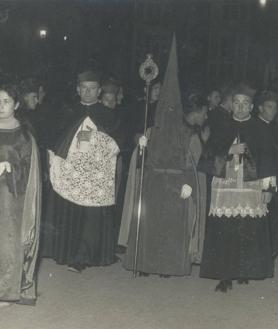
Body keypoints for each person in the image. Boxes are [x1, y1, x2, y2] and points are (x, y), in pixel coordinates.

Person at [119, 38, 207, 277]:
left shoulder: (188, 134)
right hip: (153, 184)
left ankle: (168, 265)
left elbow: (194, 164)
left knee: (171, 227)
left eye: (173, 108)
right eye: (164, 107)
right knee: (149, 225)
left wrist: (189, 184)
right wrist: (142, 147)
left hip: (176, 185)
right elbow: (141, 162)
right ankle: (145, 264)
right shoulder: (151, 131)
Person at [199, 84, 277, 292]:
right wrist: (229, 150)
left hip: (251, 188)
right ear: (231, 105)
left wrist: (269, 189)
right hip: (225, 188)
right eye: (236, 103)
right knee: (225, 229)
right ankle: (225, 276)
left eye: (245, 104)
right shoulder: (221, 127)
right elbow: (207, 158)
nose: (241, 107)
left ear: (252, 107)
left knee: (248, 228)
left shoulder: (261, 129)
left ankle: (245, 270)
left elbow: (269, 159)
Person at [42, 70, 122, 273]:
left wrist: (94, 139)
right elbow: (55, 137)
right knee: (69, 209)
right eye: (84, 88)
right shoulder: (67, 111)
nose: (88, 92)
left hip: (96, 174)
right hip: (71, 173)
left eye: (92, 88)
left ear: (99, 90)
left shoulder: (109, 115)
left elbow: (117, 144)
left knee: (91, 216)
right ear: (78, 89)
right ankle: (66, 252)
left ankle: (83, 257)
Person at [0, 83, 41, 306]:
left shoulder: (23, 134)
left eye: (5, 101)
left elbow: (30, 169)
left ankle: (5, 291)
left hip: (9, 196)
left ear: (16, 104)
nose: (0, 106)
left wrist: (9, 166)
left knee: (6, 242)